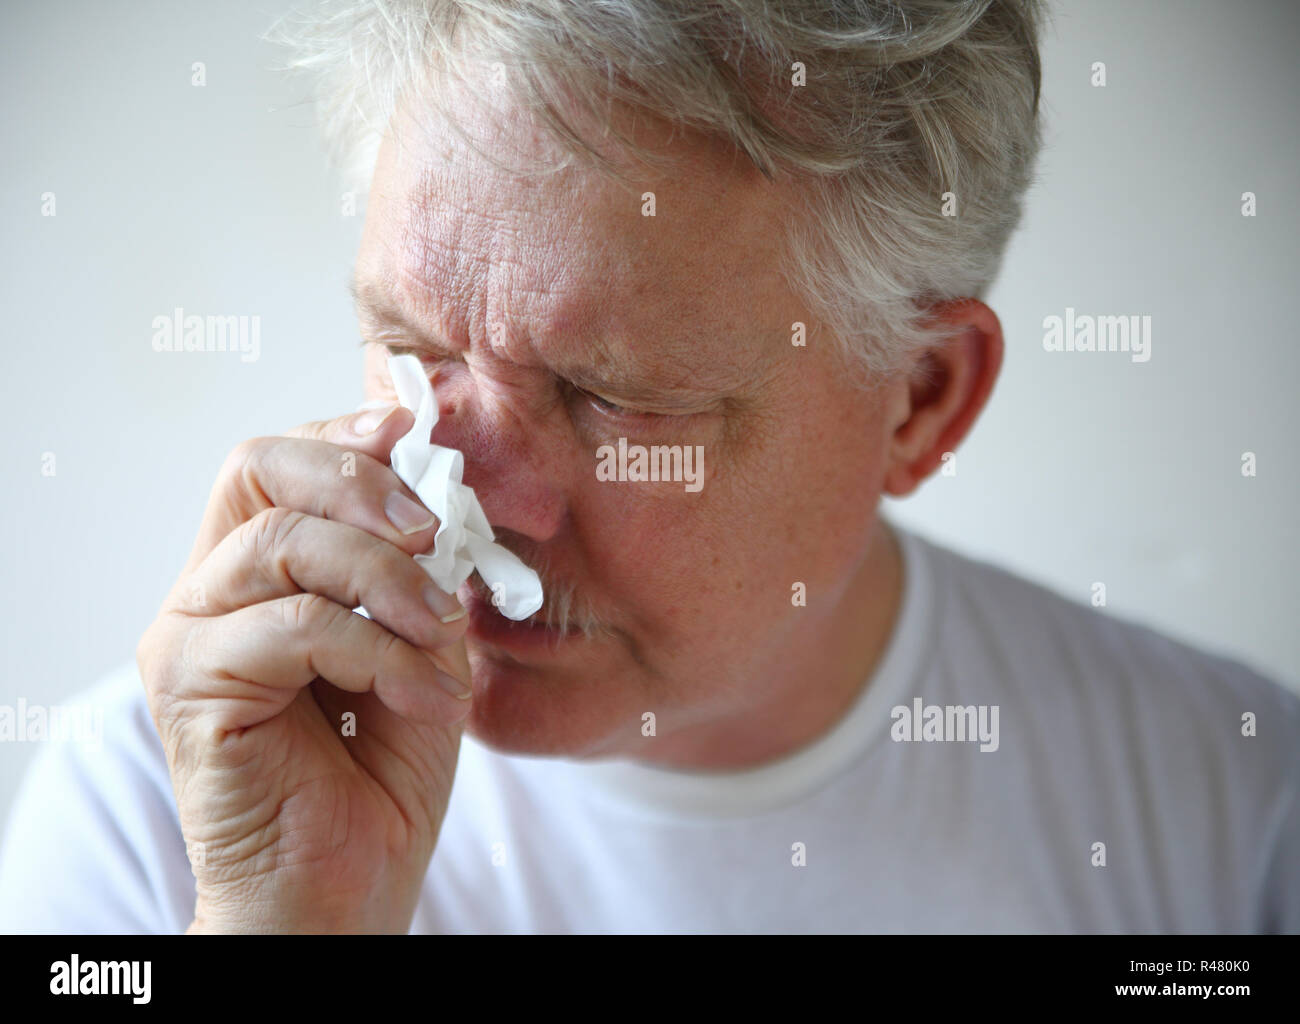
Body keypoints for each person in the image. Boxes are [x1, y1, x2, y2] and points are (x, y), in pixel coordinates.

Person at [2, 0, 1296, 933]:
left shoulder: (1230, 821)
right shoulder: (165, 817)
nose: (465, 506)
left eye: (619, 400)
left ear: (921, 398)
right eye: (409, 352)